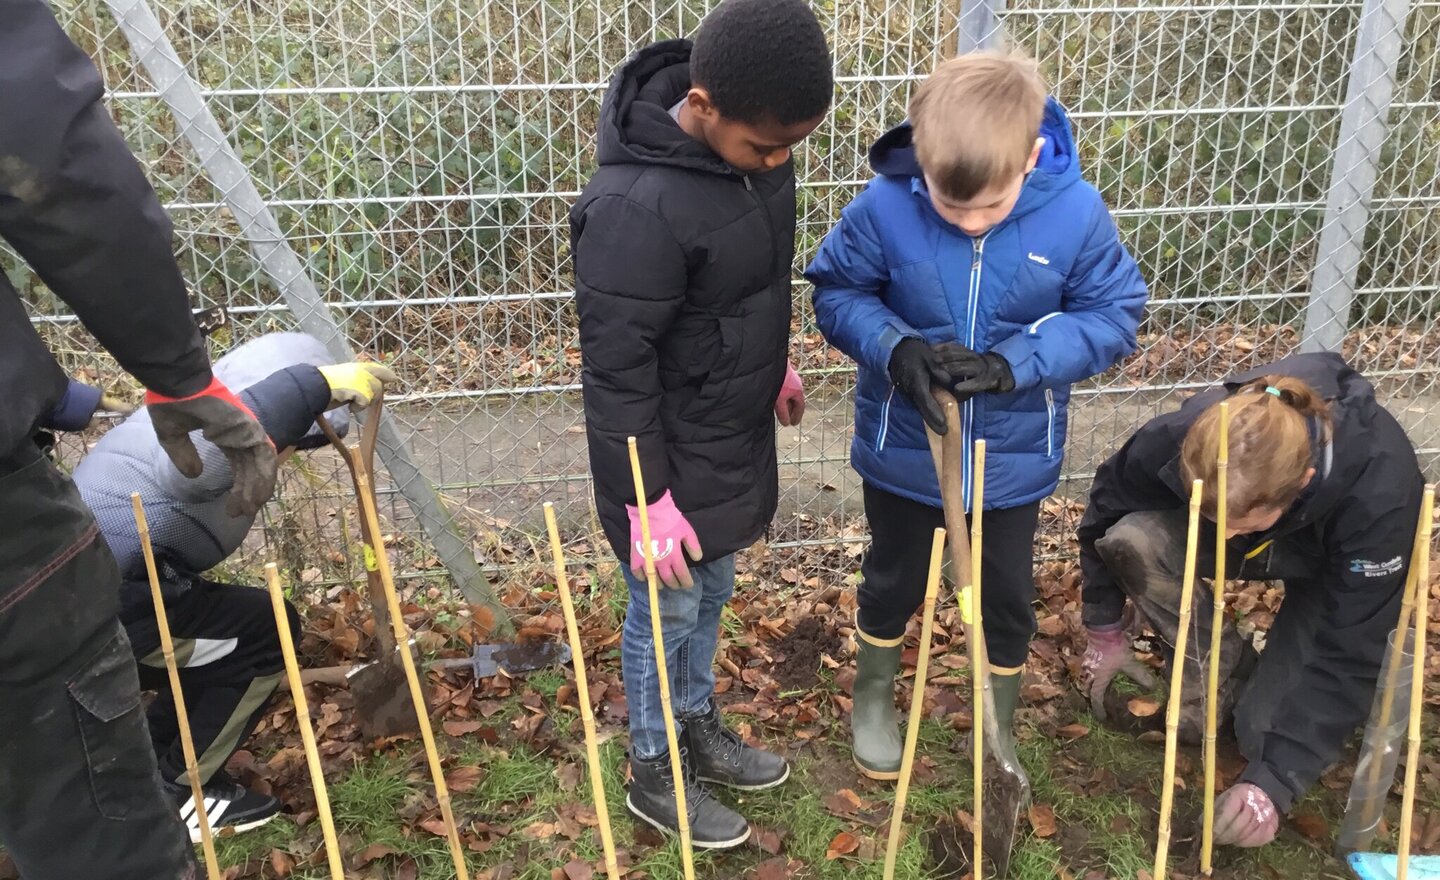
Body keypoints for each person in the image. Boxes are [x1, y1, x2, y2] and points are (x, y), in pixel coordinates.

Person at [804, 51, 1147, 782]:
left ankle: (997, 725)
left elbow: (1113, 313)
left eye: (986, 207)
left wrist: (1015, 362)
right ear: (921, 158)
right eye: (945, 202)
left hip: (1011, 459)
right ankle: (873, 701)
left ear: (1028, 159)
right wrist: (895, 347)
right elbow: (837, 294)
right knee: (893, 579)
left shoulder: (1077, 213)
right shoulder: (884, 206)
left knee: (1007, 600)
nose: (964, 220)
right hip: (907, 443)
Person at [0, 3, 280, 877]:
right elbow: (51, 161)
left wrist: (59, 392)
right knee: (265, 634)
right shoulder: (290, 384)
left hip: (115, 550)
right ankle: (188, 783)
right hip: (73, 576)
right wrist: (178, 368)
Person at [570, 0, 831, 849]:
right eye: (767, 144)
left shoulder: (753, 161)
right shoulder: (632, 207)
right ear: (706, 105)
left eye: (795, 142)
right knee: (664, 611)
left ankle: (695, 722)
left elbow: (750, 289)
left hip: (726, 428)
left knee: (711, 592)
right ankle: (652, 766)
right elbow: (616, 376)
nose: (782, 158)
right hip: (663, 463)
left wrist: (775, 364)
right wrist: (645, 502)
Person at [54, 333, 396, 843]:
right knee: (262, 635)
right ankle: (188, 792)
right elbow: (197, 472)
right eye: (289, 445)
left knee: (225, 629)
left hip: (86, 593)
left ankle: (147, 764)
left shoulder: (185, 405)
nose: (287, 457)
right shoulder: (202, 434)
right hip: (95, 615)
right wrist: (313, 386)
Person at [1078, 352, 1424, 848]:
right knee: (1132, 541)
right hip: (1249, 521)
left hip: (1326, 562)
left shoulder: (1379, 494)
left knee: (1262, 736)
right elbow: (1103, 513)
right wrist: (1104, 624)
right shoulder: (1182, 435)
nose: (1222, 533)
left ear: (1301, 484)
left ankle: (1273, 714)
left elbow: (1351, 650)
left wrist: (1275, 782)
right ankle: (1223, 668)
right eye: (1214, 513)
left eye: (1240, 519)